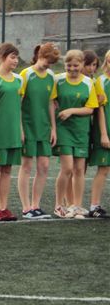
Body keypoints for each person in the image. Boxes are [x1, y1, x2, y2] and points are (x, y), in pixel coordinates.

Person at [52, 49, 98, 219]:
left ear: (82, 65)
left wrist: (71, 110)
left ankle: (76, 206)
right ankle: (59, 205)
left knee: (79, 169)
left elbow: (90, 108)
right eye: (68, 65)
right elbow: (50, 100)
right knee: (67, 168)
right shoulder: (58, 80)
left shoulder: (88, 83)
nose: (72, 68)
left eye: (76, 65)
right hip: (63, 129)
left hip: (81, 130)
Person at [17, 43, 60, 219]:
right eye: (47, 60)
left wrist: (53, 128)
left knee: (44, 166)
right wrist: (20, 128)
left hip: (44, 128)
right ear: (40, 55)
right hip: (28, 126)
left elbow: (51, 103)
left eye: (52, 62)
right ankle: (26, 207)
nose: (49, 65)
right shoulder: (25, 75)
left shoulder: (51, 76)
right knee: (26, 166)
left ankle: (36, 205)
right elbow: (17, 103)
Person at [0, 43, 23, 222]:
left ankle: (3, 207)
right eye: (12, 57)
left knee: (7, 170)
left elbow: (18, 107)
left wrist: (20, 130)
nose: (15, 60)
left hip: (13, 132)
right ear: (2, 57)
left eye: (16, 57)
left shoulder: (19, 80)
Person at [89, 50, 110, 218]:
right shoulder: (100, 82)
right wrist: (104, 134)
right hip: (106, 131)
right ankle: (94, 206)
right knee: (103, 169)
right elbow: (100, 109)